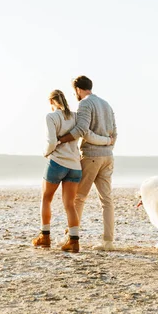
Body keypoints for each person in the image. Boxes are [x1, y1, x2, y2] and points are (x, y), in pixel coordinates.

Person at [31, 89, 113, 253]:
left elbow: (51, 141)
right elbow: (85, 133)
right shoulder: (76, 116)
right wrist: (107, 141)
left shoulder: (51, 117)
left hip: (57, 163)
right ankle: (74, 241)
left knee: (46, 199)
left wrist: (46, 153)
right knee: (70, 204)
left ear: (51, 102)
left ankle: (45, 236)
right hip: (75, 165)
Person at [58, 76, 118, 251]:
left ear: (77, 89)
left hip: (91, 156)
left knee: (78, 198)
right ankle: (108, 242)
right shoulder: (106, 104)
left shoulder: (85, 103)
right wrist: (107, 142)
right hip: (108, 157)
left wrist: (61, 139)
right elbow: (114, 135)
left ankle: (71, 237)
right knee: (106, 200)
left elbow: (82, 131)